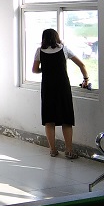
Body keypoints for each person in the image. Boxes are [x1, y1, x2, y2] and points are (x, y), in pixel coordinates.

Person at [31, 29, 89, 159]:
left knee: (49, 119)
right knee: (66, 119)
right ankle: (69, 150)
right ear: (57, 37)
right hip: (63, 87)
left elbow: (34, 70)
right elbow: (81, 64)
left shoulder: (39, 51)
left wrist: (45, 69)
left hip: (48, 88)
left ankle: (53, 150)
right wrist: (85, 79)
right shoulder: (64, 49)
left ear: (43, 38)